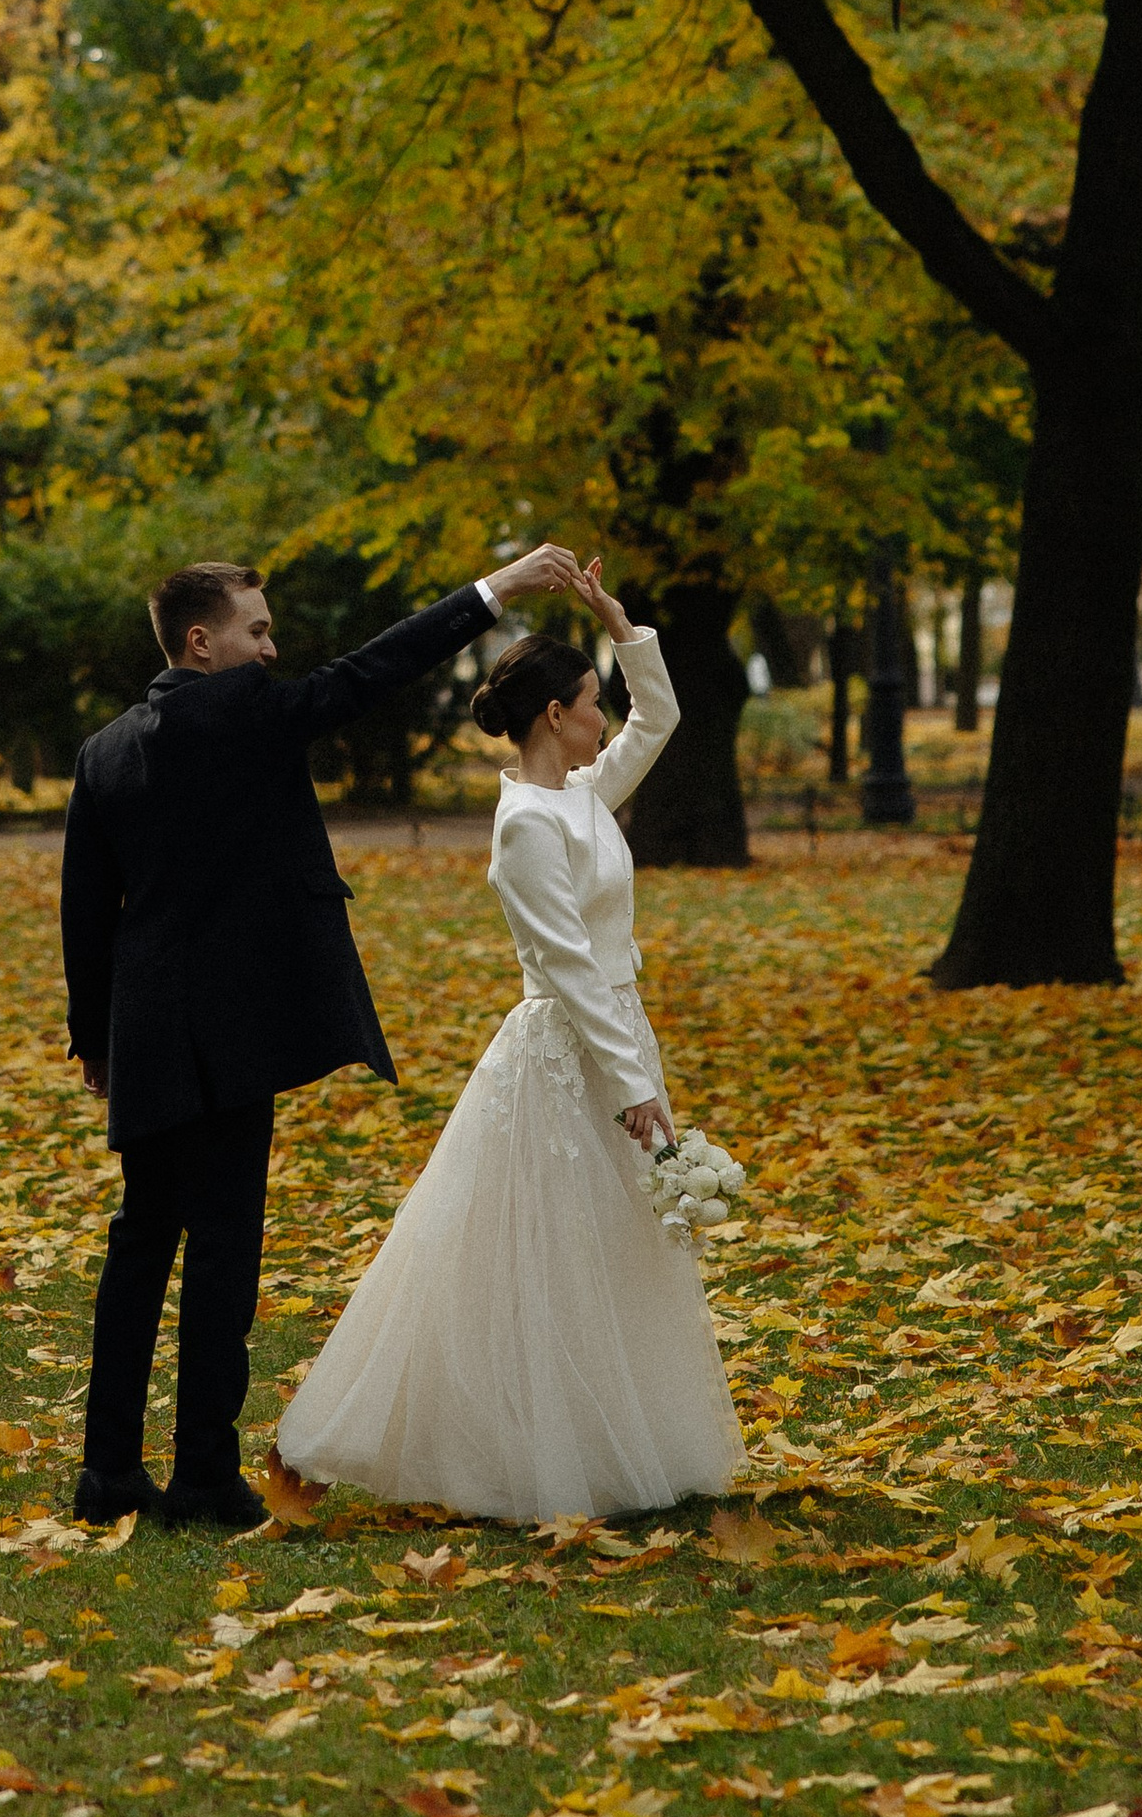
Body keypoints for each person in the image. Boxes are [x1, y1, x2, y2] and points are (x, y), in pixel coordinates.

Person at [61, 541, 589, 1531]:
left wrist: (95, 1040)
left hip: (149, 1031)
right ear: (201, 642)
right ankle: (202, 1476)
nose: (272, 650)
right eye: (257, 631)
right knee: (222, 1250)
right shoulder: (247, 714)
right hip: (232, 1032)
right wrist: (493, 591)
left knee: (140, 1244)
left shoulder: (106, 751)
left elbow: (86, 910)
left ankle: (108, 1473)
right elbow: (372, 671)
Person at [274, 559, 740, 1524]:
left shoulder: (584, 791)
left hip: (618, 1034)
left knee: (618, 1247)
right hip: (569, 1051)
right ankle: (523, 1448)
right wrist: (632, 1087)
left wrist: (621, 626)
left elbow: (659, 719)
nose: (603, 716)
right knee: (551, 1251)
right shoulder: (526, 822)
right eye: (591, 702)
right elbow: (566, 965)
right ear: (554, 717)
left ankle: (618, 1441)